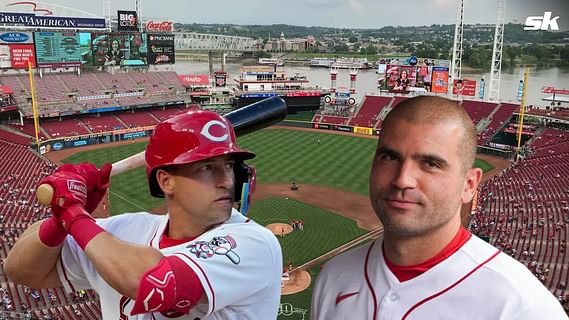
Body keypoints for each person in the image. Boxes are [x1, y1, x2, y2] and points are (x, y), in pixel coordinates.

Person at [5, 110, 283, 319]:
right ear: (166, 182)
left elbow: (152, 283)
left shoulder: (254, 243)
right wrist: (60, 220)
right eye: (207, 168)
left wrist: (75, 214)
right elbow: (21, 270)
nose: (227, 181)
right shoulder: (126, 230)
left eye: (229, 165)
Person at [311, 96, 567, 319]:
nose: (402, 179)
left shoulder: (521, 307)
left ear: (469, 185)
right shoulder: (334, 277)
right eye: (390, 157)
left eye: (431, 164)